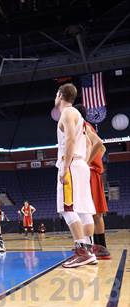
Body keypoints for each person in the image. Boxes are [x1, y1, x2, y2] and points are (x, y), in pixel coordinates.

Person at [55, 83, 97, 268]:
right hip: (80, 165)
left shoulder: (67, 112)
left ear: (60, 95)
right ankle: (89, 251)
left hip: (71, 164)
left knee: (68, 209)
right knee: (83, 211)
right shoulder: (78, 116)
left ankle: (82, 252)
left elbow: (71, 139)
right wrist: (83, 162)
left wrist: (65, 167)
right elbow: (88, 143)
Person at [74, 104, 111, 260]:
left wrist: (87, 162)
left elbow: (100, 145)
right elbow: (102, 151)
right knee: (93, 212)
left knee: (93, 213)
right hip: (92, 173)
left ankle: (100, 248)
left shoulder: (84, 125)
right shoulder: (84, 127)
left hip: (91, 173)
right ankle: (97, 247)